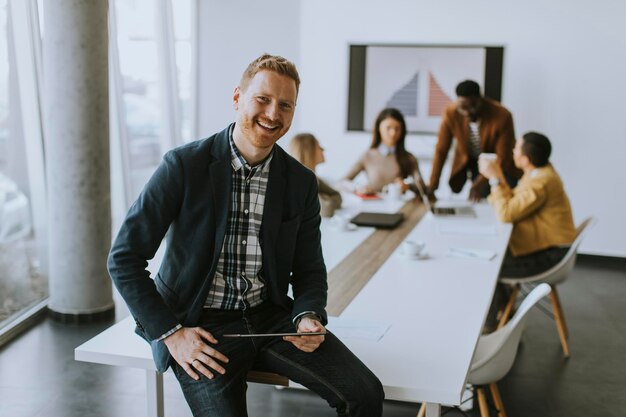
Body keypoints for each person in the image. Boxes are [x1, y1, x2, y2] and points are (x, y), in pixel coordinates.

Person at [108, 54, 384, 417]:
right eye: (263, 99)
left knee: (366, 394)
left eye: (285, 105)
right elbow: (124, 258)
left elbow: (309, 269)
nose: (273, 114)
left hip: (270, 316)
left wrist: (308, 314)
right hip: (199, 323)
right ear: (237, 97)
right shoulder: (183, 166)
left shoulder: (300, 182)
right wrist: (172, 334)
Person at [479, 131, 576, 277]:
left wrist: (494, 179)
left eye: (516, 148)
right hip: (544, 248)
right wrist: (498, 175)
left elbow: (505, 214)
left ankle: (502, 300)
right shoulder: (537, 173)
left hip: (550, 255)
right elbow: (512, 202)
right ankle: (504, 299)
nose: (513, 151)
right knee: (490, 258)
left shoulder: (541, 182)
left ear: (525, 160)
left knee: (489, 266)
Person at [429, 80, 522, 201]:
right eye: (463, 108)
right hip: (474, 163)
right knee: (479, 200)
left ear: (480, 100)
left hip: (500, 165)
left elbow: (502, 156)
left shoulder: (502, 115)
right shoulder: (451, 113)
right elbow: (441, 150)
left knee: (502, 199)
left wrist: (478, 185)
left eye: (472, 107)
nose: (468, 112)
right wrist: (432, 185)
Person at [340, 107, 427, 195]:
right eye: (388, 128)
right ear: (379, 128)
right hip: (373, 206)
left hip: (400, 207)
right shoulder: (368, 156)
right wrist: (357, 188)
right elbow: (341, 183)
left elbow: (422, 187)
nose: (393, 133)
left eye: (397, 128)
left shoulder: (409, 158)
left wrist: (408, 186)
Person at [289, 133, 342, 217]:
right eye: (320, 148)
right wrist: (325, 197)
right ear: (309, 151)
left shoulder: (314, 178)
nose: (323, 150)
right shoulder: (300, 179)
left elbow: (337, 195)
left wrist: (324, 198)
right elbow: (327, 210)